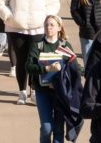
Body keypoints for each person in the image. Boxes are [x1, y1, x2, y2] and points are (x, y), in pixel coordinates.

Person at [0, 0, 61, 105]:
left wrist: (45, 17)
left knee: (36, 61)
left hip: (38, 30)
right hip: (16, 29)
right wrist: (9, 17)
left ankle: (35, 91)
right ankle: (22, 92)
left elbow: (54, 3)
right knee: (22, 61)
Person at [27, 14, 82, 143]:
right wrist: (46, 69)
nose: (48, 27)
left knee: (58, 129)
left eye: (52, 25)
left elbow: (75, 67)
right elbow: (28, 66)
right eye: (46, 25)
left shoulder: (64, 46)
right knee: (47, 128)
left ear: (59, 28)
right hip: (42, 92)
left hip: (60, 93)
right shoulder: (38, 46)